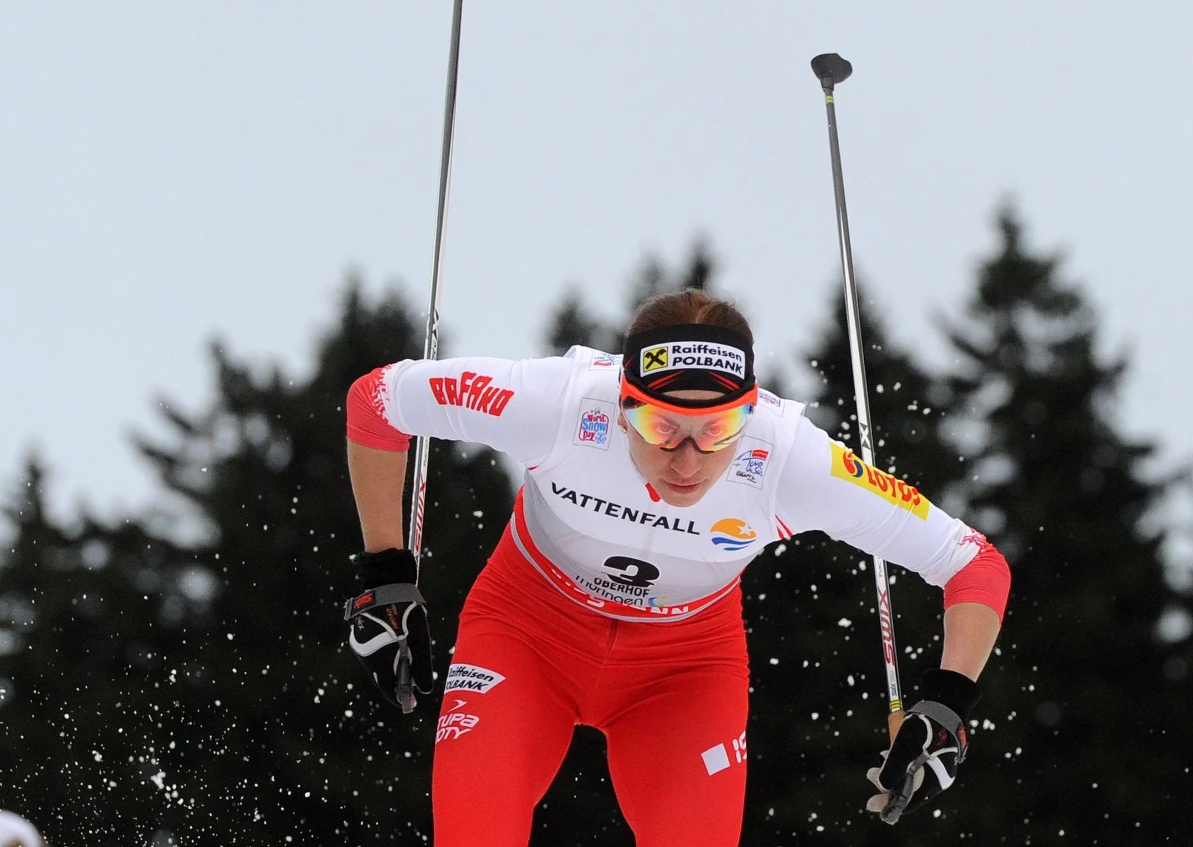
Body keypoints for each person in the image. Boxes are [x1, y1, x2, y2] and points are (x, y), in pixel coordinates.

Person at [342, 288, 1010, 846]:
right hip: (526, 634)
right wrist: (387, 573)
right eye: (663, 429)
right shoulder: (562, 405)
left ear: (750, 417)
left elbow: (973, 564)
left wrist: (948, 705)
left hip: (683, 670)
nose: (687, 461)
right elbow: (377, 401)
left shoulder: (789, 460)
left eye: (718, 433)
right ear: (623, 404)